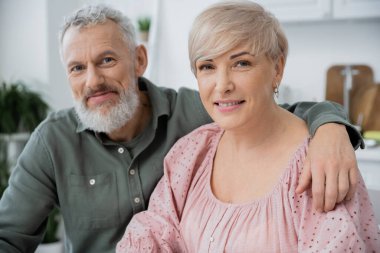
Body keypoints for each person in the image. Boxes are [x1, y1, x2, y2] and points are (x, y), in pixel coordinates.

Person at [0, 3, 365, 253]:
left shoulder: (200, 114)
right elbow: (8, 237)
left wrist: (330, 125)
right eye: (77, 68)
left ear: (139, 59)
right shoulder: (52, 141)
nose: (93, 80)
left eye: (107, 60)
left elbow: (277, 112)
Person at [116, 1, 380, 252]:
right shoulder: (191, 152)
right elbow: (154, 229)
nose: (222, 85)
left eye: (241, 63)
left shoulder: (320, 164)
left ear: (277, 68)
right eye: (207, 66)